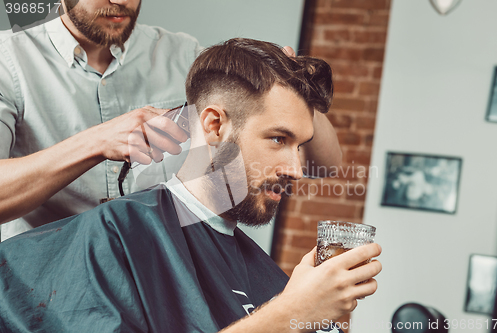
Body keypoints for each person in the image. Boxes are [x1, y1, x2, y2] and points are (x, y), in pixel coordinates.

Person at [0, 38, 381, 333]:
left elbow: (329, 165)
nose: (296, 169)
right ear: (214, 125)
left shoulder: (279, 281)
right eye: (278, 139)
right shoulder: (119, 237)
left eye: (300, 145)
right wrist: (288, 315)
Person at [0, 0, 342, 241]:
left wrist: (298, 91)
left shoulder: (183, 55)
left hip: (160, 271)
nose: (121, 1)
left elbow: (323, 166)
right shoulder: (9, 62)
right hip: (44, 282)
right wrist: (95, 143)